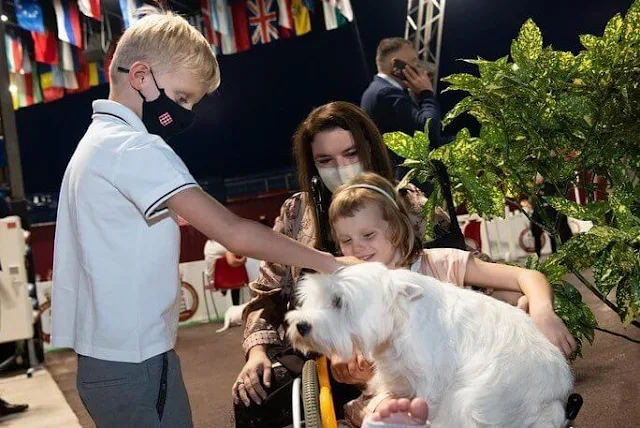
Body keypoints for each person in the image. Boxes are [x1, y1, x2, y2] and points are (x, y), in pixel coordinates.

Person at [50, 9, 348, 428]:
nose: (186, 111)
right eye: (183, 97)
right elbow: (234, 232)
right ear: (140, 76)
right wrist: (333, 264)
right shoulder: (132, 148)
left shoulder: (98, 143)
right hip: (132, 363)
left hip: (119, 359)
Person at [232, 101, 440, 428]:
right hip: (317, 356)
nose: (340, 167)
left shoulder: (409, 203)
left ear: (370, 151)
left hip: (399, 353)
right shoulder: (295, 212)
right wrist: (257, 353)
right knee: (255, 397)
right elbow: (267, 293)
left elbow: (459, 270)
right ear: (312, 166)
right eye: (325, 160)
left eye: (351, 153)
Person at [328, 173, 578, 426]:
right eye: (346, 241)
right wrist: (351, 363)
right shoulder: (353, 296)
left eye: (368, 235)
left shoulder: (441, 264)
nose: (357, 248)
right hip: (406, 398)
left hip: (465, 388)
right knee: (384, 410)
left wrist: (542, 312)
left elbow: (527, 276)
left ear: (395, 228)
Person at [360, 38, 444, 180]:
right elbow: (429, 131)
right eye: (414, 62)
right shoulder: (385, 93)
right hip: (402, 180)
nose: (419, 68)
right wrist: (426, 93)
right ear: (396, 65)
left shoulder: (379, 90)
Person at [203, 240, 246, 305]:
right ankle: (235, 305)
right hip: (232, 280)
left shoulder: (208, 244)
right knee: (236, 265)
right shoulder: (226, 244)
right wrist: (243, 260)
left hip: (213, 280)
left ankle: (223, 290)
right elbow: (232, 262)